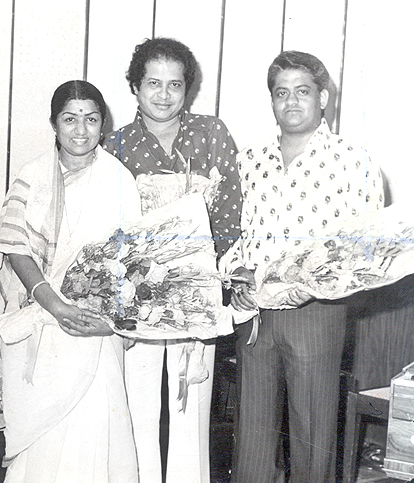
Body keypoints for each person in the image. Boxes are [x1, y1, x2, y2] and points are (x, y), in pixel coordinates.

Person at [222, 51, 384, 483]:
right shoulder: (249, 161)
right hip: (254, 311)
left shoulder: (354, 161)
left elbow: (365, 250)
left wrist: (316, 286)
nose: (291, 101)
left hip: (316, 311)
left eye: (303, 91)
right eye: (281, 93)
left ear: (324, 97)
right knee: (251, 436)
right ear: (271, 101)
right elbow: (234, 233)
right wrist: (237, 275)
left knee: (312, 436)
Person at [103, 37, 242, 483]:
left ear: (188, 89)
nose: (164, 95)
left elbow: (229, 214)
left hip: (199, 293)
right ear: (135, 87)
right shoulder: (114, 147)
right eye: (153, 84)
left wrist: (203, 275)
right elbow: (110, 233)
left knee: (192, 410)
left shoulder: (211, 133)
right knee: (138, 410)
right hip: (141, 297)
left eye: (174, 85)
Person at [0, 80, 140, 483]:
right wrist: (55, 306)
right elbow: (15, 247)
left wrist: (107, 321)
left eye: (91, 119)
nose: (81, 130)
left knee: (95, 428)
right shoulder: (32, 175)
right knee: (44, 439)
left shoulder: (118, 180)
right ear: (54, 124)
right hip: (43, 321)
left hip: (94, 331)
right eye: (70, 119)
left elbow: (132, 262)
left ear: (103, 125)